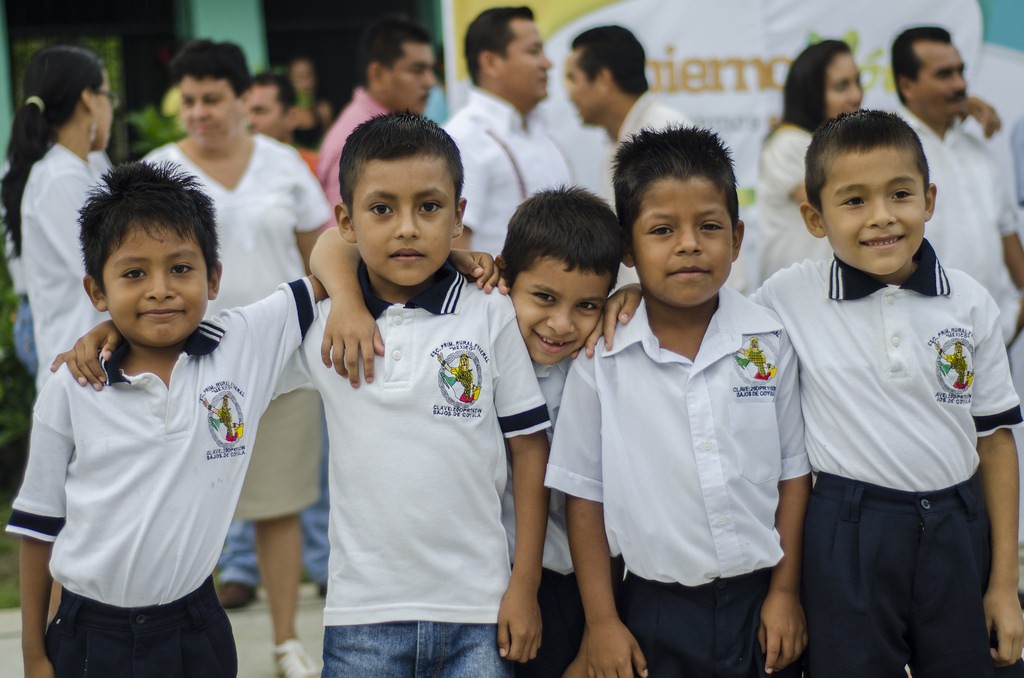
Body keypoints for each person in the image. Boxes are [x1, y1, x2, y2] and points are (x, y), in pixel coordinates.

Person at [6, 161, 325, 678]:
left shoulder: (245, 345)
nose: (160, 289)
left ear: (213, 277)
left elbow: (343, 255)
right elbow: (39, 528)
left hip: (196, 630)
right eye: (134, 274)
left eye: (181, 268)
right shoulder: (73, 386)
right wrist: (34, 658)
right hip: (91, 636)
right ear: (97, 292)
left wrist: (459, 257)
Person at [278, 112, 551, 676]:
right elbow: (214, 353)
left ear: (459, 218)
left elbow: (529, 450)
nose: (407, 228)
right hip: (361, 618)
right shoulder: (323, 325)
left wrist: (524, 587)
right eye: (382, 210)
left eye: (429, 207)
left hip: (480, 608)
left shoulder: (489, 313)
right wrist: (114, 332)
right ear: (347, 221)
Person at [753, 109, 1024, 676]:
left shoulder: (969, 302)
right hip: (845, 530)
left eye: (899, 194)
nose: (881, 218)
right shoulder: (784, 298)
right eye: (853, 201)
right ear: (814, 216)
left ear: (928, 199)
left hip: (957, 524)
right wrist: (623, 302)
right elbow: (702, 318)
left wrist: (1003, 584)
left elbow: (995, 441)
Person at [546, 125, 810, 677]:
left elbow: (792, 473)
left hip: (760, 604)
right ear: (627, 247)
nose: (689, 244)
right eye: (662, 229)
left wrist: (785, 592)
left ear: (737, 238)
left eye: (709, 227)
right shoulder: (602, 359)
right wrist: (602, 622)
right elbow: (584, 497)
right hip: (653, 610)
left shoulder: (768, 338)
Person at [145, 39, 330, 677]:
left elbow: (322, 255)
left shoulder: (283, 165)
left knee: (278, 505)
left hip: (281, 362)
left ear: (243, 101)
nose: (199, 112)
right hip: (188, 368)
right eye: (189, 100)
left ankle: (285, 641)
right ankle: (190, 642)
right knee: (191, 508)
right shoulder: (157, 172)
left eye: (212, 99)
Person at [495, 187, 623, 677]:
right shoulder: (477, 349)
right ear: (504, 275)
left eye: (588, 306)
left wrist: (600, 621)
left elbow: (604, 504)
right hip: (490, 583)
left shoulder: (598, 369)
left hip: (577, 587)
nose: (562, 323)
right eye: (544, 298)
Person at [893, 26, 1024, 343]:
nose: (961, 85)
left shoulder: (978, 152)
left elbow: (1006, 231)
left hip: (996, 340)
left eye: (961, 72)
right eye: (944, 75)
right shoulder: (889, 149)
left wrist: (1018, 312)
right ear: (907, 85)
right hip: (923, 344)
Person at [1, 45, 114, 392]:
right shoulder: (61, 178)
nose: (111, 106)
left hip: (87, 364)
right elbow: (105, 272)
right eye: (109, 95)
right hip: (79, 367)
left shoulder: (80, 167)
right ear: (88, 99)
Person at [445, 6, 572, 254]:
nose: (547, 63)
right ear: (490, 62)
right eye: (533, 51)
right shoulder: (463, 138)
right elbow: (455, 246)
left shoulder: (543, 134)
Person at [756, 39, 861, 283]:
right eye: (841, 86)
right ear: (812, 94)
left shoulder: (831, 145)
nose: (856, 96)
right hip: (796, 295)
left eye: (858, 82)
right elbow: (837, 204)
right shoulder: (789, 144)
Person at [316, 15, 436, 209]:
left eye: (431, 70)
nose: (430, 82)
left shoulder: (394, 128)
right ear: (377, 75)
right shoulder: (356, 140)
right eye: (417, 70)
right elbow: (343, 234)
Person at [564, 25, 692, 204]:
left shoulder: (665, 135)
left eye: (572, 78)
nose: (569, 93)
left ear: (603, 79)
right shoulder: (617, 143)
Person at [248, 71, 318, 173]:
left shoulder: (316, 170)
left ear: (292, 117)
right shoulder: (237, 173)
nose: (250, 121)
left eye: (260, 111)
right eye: (246, 112)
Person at [287, 56, 334, 150]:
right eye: (300, 77)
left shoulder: (324, 109)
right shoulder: (286, 114)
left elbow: (331, 145)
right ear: (290, 81)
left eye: (309, 75)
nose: (306, 84)